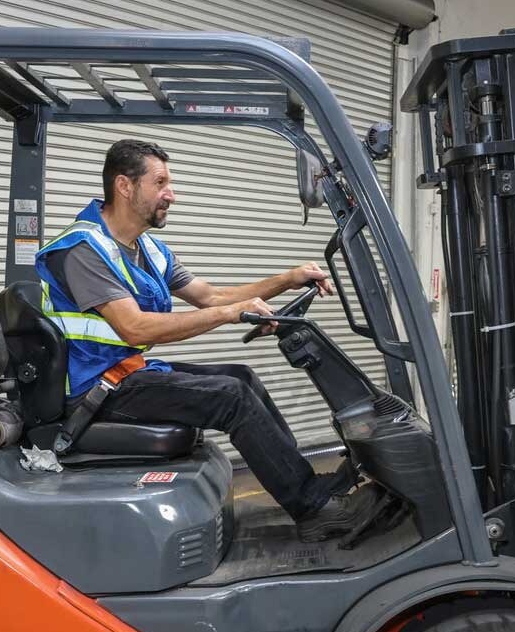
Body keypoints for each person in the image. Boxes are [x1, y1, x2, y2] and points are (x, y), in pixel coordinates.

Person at [35, 138, 374, 541]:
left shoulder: (148, 250)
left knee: (242, 378)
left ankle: (307, 486)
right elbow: (136, 328)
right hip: (94, 391)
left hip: (125, 374)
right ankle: (312, 508)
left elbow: (210, 296)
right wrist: (228, 314)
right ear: (125, 186)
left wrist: (287, 279)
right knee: (231, 397)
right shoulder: (84, 249)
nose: (171, 195)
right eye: (160, 183)